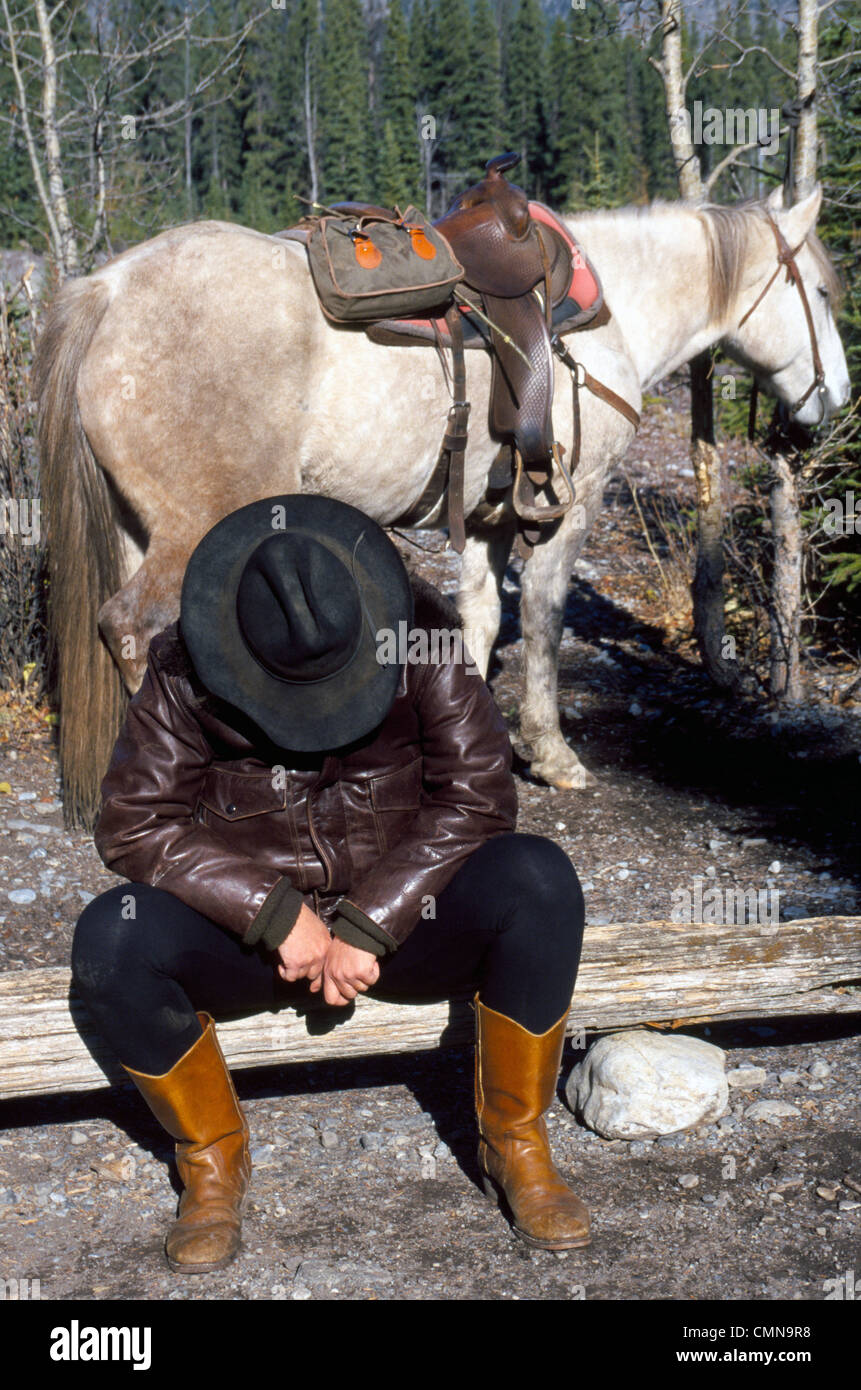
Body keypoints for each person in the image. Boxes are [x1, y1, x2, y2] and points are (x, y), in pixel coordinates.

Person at [71, 494, 589, 1275]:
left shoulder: (418, 634)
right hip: (253, 950)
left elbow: (480, 794)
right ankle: (212, 1163)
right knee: (113, 935)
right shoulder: (185, 664)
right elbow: (133, 823)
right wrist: (274, 914)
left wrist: (368, 922)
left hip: (407, 930)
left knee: (539, 877)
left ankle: (514, 1142)